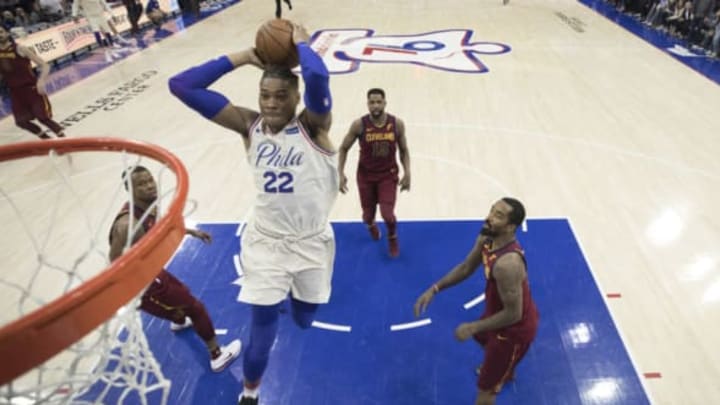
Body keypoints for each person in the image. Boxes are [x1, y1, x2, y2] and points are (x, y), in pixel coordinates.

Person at [168, 24, 336, 405]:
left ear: (297, 99)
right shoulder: (249, 125)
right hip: (265, 243)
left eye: (280, 96)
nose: (271, 103)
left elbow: (315, 74)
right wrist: (242, 57)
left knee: (305, 318)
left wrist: (302, 43)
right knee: (262, 330)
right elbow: (182, 86)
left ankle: (294, 298)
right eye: (264, 96)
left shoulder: (315, 127)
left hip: (311, 243)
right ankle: (250, 392)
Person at [108, 165, 242, 373]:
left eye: (150, 180)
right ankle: (217, 355)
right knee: (196, 308)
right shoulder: (128, 226)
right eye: (141, 184)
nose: (149, 186)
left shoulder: (147, 207)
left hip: (152, 272)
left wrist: (189, 232)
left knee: (181, 299)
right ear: (130, 191)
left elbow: (159, 227)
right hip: (142, 283)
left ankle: (178, 319)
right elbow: (115, 264)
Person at [413, 198, 539, 405]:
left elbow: (513, 314)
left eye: (498, 215)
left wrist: (472, 326)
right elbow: (466, 268)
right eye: (492, 210)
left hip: (512, 331)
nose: (489, 217)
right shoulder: (488, 237)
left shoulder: (508, 265)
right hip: (497, 312)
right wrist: (435, 289)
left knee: (485, 392)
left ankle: (502, 371)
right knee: (483, 339)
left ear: (510, 227)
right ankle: (504, 370)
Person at [337, 88, 410, 258]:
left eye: (379, 102)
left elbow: (404, 150)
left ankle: (392, 237)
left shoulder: (396, 124)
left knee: (388, 215)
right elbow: (343, 148)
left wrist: (408, 173)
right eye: (372, 102)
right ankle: (371, 225)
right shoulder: (359, 125)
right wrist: (340, 173)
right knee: (367, 216)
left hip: (387, 175)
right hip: (366, 176)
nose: (375, 105)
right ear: (367, 104)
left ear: (385, 103)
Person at [0, 25, 66, 139]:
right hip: (15, 92)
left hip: (31, 88)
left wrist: (41, 81)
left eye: (1, 32)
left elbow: (45, 65)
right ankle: (47, 140)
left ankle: (64, 140)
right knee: (21, 122)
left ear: (7, 33)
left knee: (43, 118)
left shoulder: (20, 48)